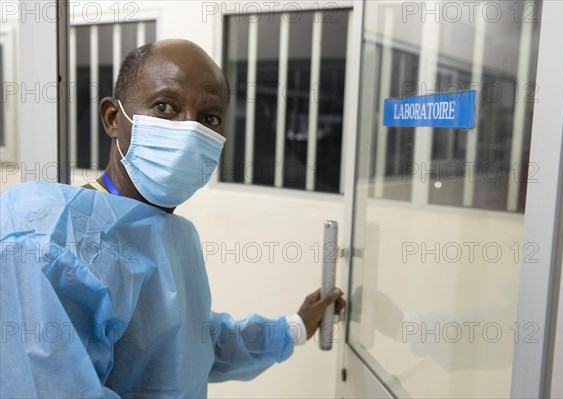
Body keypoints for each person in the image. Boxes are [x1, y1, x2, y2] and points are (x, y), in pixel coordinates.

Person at [0, 39, 345, 398]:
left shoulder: (171, 237)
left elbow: (193, 346)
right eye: (165, 107)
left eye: (209, 118)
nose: (189, 130)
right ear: (113, 119)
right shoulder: (44, 241)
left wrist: (294, 328)